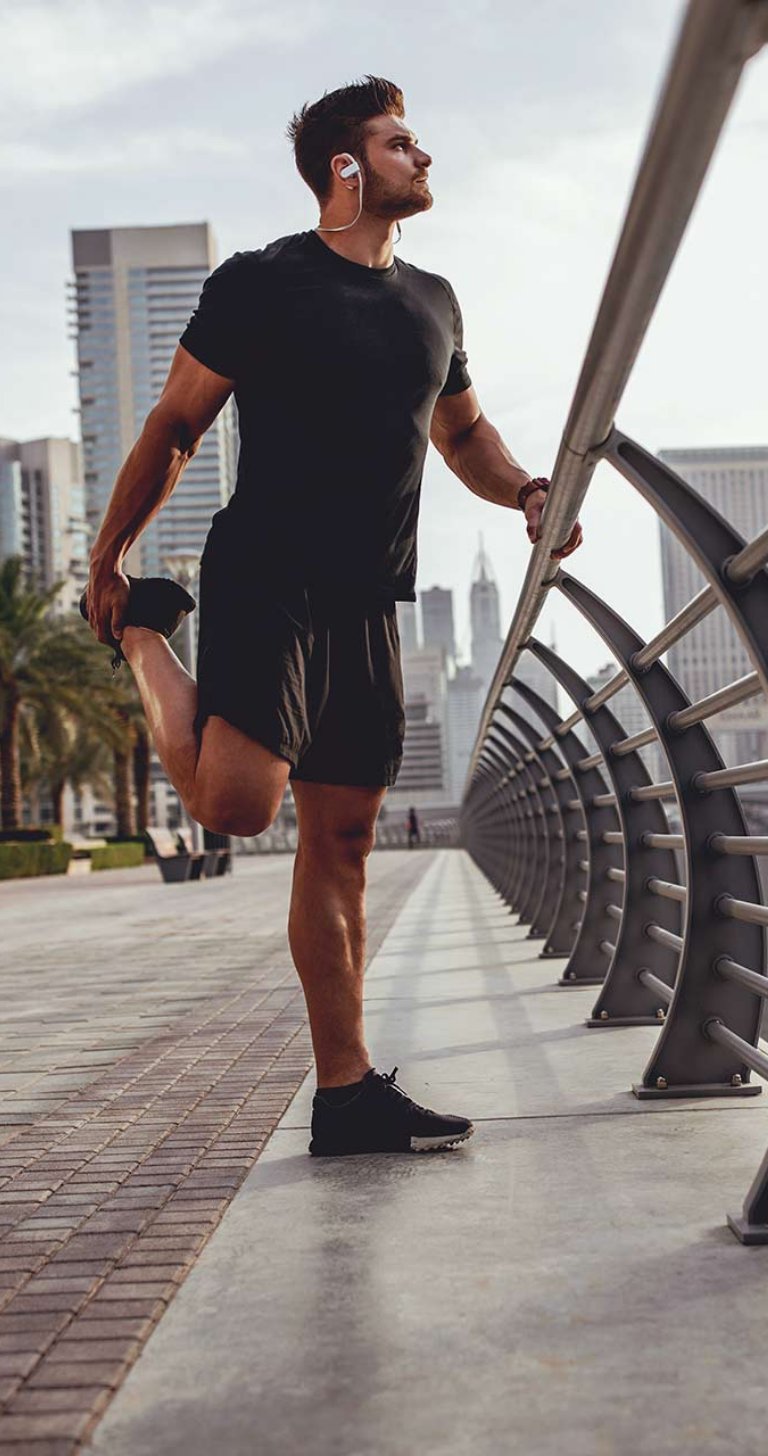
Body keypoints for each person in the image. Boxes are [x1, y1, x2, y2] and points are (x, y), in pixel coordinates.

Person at [80, 76, 583, 1158]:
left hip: (369, 596)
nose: (426, 157)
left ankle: (346, 1092)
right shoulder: (263, 283)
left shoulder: (436, 301)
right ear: (347, 169)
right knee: (235, 806)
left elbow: (464, 440)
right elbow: (175, 422)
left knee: (343, 838)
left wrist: (528, 490)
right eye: (405, 143)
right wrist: (110, 558)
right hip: (269, 569)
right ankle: (141, 640)